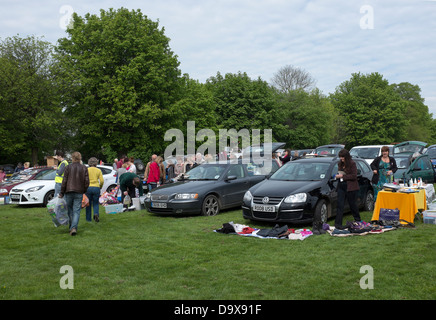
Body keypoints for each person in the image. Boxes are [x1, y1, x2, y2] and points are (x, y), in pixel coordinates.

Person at [59, 152, 89, 236]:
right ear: (80, 158)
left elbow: (64, 181)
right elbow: (87, 181)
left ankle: (72, 227)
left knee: (70, 210)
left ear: (72, 158)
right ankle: (73, 227)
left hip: (68, 191)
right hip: (79, 192)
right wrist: (84, 190)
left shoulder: (68, 167)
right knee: (76, 211)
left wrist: (61, 192)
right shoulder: (84, 168)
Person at [335, 149, 361, 229]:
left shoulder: (352, 164)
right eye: (340, 157)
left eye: (343, 157)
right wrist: (337, 176)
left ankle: (358, 220)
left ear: (346, 157)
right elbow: (340, 173)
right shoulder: (340, 164)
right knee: (340, 205)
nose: (341, 159)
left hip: (350, 187)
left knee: (352, 204)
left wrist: (343, 176)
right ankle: (338, 224)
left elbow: (354, 176)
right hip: (341, 186)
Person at [86, 157, 104, 222]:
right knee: (96, 203)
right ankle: (96, 213)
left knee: (88, 203)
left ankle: (88, 219)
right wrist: (100, 186)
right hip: (96, 187)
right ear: (96, 163)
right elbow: (101, 181)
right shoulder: (98, 170)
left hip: (88, 187)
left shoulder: (86, 170)